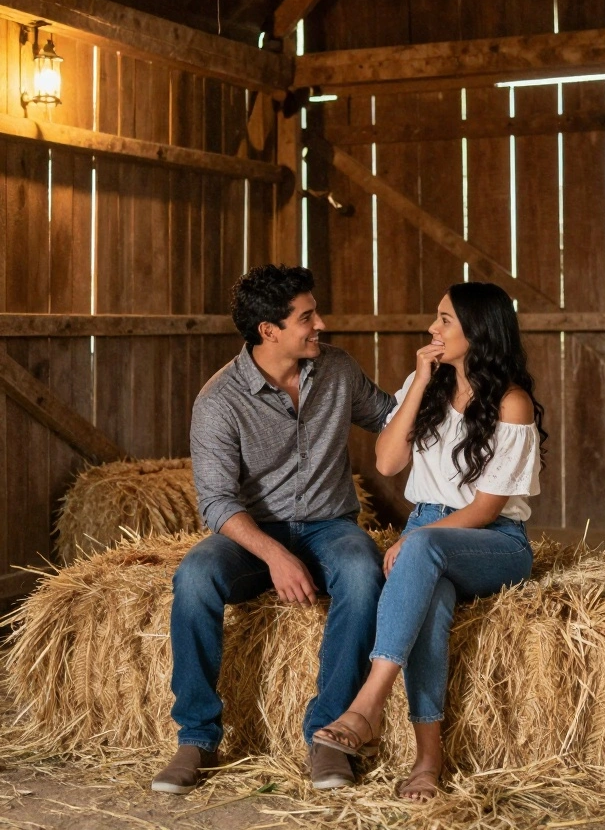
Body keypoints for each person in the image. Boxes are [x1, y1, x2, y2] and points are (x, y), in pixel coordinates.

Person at [151, 264, 395, 794]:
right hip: (253, 535)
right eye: (307, 317)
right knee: (194, 577)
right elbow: (216, 502)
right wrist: (275, 557)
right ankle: (196, 737)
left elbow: (389, 418)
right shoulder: (219, 400)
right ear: (270, 331)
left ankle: (329, 736)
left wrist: (439, 382)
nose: (320, 324)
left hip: (331, 525)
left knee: (361, 572)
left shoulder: (337, 370)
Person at [313, 281, 546, 801]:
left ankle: (368, 703)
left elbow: (486, 509)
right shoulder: (430, 387)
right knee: (432, 605)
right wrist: (419, 382)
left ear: (478, 331)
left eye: (445, 320)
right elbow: (387, 462)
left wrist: (420, 540)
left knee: (419, 548)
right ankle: (427, 761)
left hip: (494, 542)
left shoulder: (511, 403)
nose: (432, 328)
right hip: (429, 537)